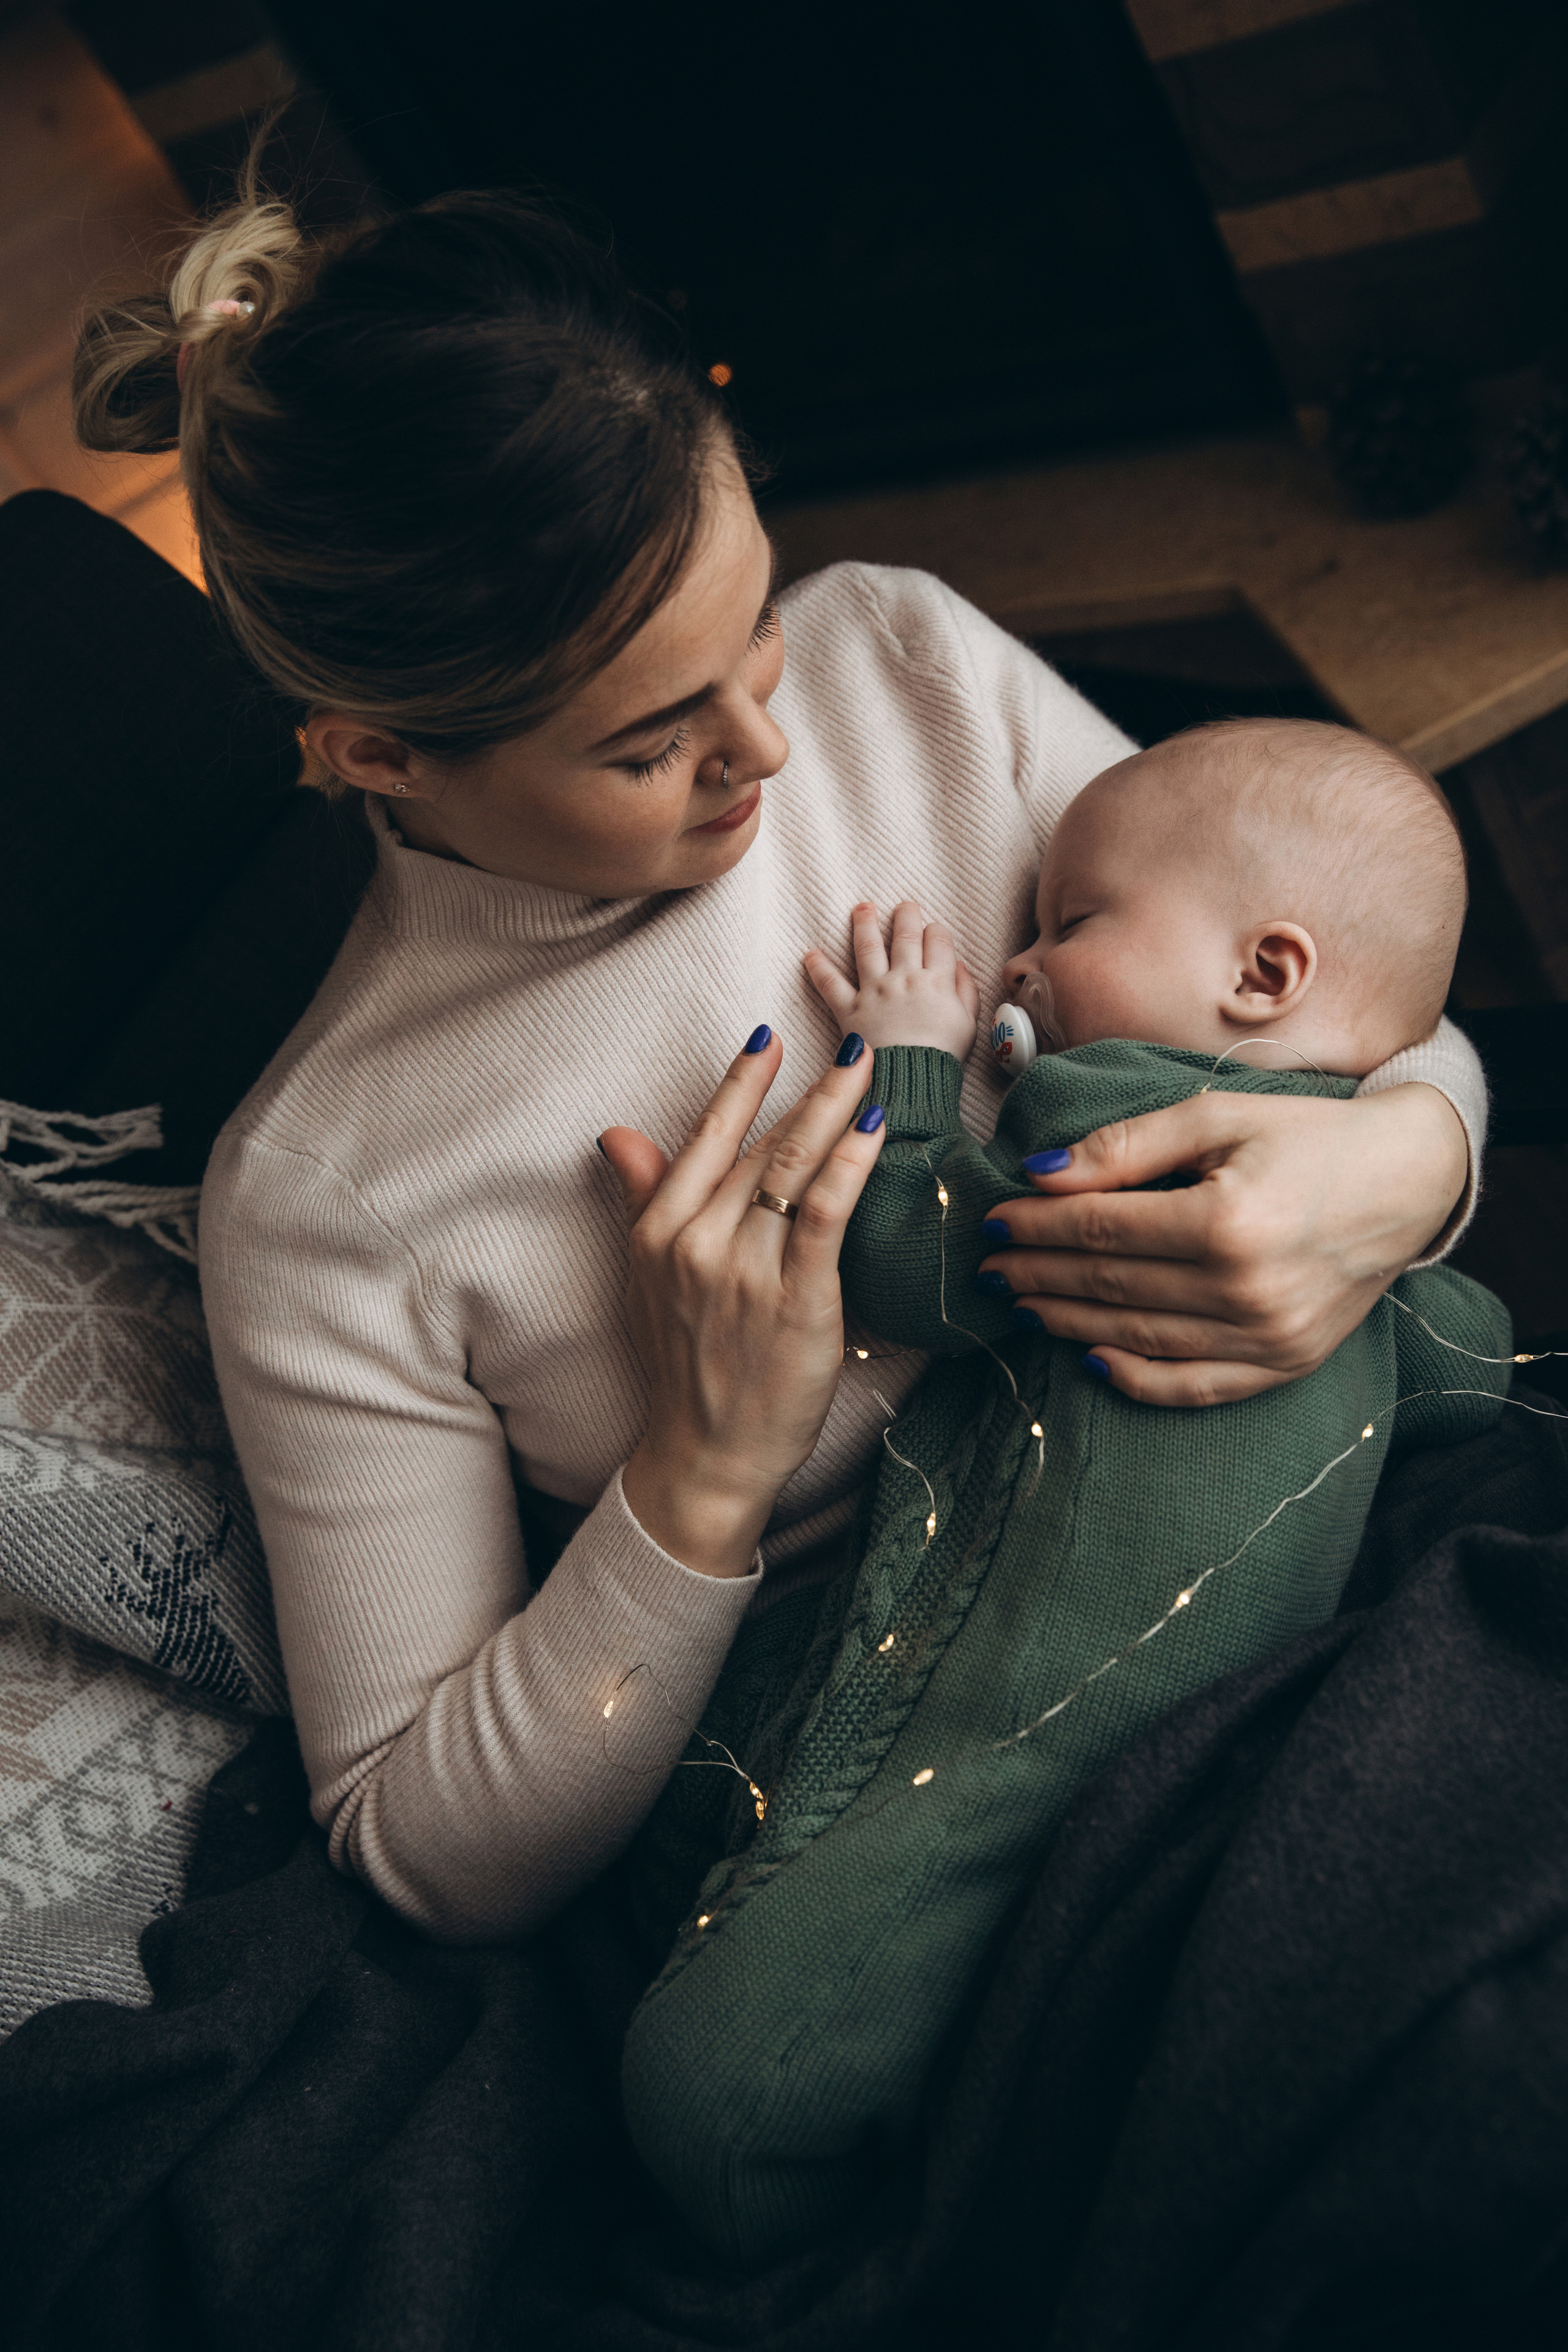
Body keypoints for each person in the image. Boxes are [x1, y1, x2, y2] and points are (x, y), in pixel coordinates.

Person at [74, 174, 1485, 1945]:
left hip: (1338, 1513)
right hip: (937, 1822)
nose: (769, 744)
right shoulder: (331, 1190)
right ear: (380, 756)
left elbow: (1352, 979)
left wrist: (1411, 1159)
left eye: (753, 629)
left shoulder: (901, 656)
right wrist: (703, 1474)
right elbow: (419, 1847)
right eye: (657, 744)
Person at [619, 717, 1512, 2266]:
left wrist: (911, 1057)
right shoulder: (1352, 1233)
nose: (1020, 965)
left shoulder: (1096, 1132)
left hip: (1000, 1743)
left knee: (711, 2096)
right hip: (1200, 1737)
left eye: (1070, 924)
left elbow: (905, 1263)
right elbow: (1469, 1362)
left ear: (1264, 977)